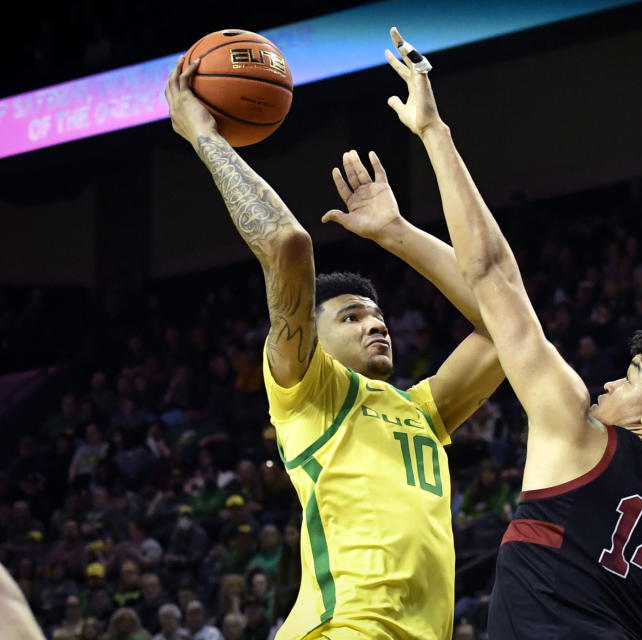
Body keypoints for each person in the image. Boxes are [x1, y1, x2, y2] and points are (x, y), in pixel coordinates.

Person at [381, 26, 642, 638]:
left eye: (633, 376)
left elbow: (494, 273)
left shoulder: (579, 433)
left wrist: (433, 130)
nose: (609, 381)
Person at [164, 48, 504, 640]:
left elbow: (507, 325)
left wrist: (397, 234)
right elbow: (288, 245)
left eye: (377, 315)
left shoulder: (421, 412)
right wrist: (201, 133)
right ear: (310, 339)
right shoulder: (311, 392)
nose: (376, 324)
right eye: (350, 317)